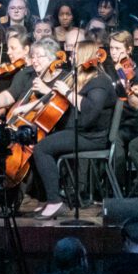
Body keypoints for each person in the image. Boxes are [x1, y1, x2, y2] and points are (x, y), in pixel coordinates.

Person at [28, 42, 117, 220]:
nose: (70, 58)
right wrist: (28, 108)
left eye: (74, 55)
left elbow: (90, 110)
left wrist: (68, 92)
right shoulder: (82, 78)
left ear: (84, 56)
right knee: (33, 143)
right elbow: (55, 101)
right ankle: (46, 198)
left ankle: (54, 202)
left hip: (92, 137)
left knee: (42, 149)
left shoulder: (99, 82)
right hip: (80, 132)